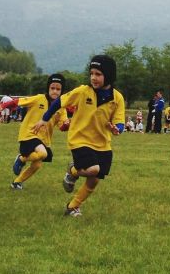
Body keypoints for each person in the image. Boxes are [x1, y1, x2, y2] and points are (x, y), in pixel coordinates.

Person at [33, 55, 125, 217]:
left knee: (95, 179)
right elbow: (59, 102)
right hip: (79, 139)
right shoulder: (83, 91)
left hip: (103, 143)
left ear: (109, 75)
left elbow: (120, 121)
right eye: (92, 73)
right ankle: (73, 170)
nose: (93, 78)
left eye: (98, 74)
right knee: (93, 169)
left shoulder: (117, 98)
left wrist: (117, 128)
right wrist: (44, 119)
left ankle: (72, 206)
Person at [5, 74, 68, 190]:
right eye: (52, 88)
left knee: (37, 164)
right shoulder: (38, 98)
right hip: (29, 134)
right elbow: (18, 102)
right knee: (43, 154)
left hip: (44, 139)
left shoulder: (61, 108)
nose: (55, 91)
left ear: (62, 91)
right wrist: (2, 105)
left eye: (58, 89)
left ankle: (16, 182)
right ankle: (21, 159)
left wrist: (67, 124)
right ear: (48, 88)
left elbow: (62, 127)